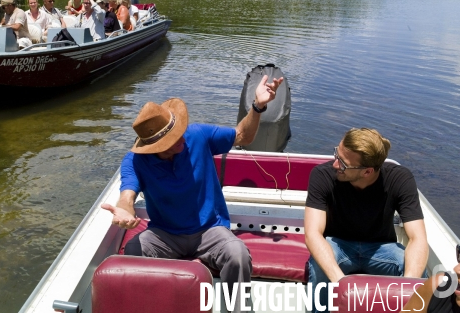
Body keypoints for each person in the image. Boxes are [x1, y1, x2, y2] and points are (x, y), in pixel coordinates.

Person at [101, 75, 284, 313]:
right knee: (135, 249)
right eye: (172, 139)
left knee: (237, 254)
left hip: (210, 229)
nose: (181, 139)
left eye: (178, 131)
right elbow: (127, 195)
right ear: (155, 147)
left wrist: (258, 106)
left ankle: (235, 309)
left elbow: (242, 136)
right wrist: (123, 212)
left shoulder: (197, 135)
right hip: (165, 233)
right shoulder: (135, 161)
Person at [305, 128, 429, 313]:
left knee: (418, 270)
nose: (335, 165)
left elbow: (418, 238)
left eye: (343, 164)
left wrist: (408, 286)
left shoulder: (400, 178)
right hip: (338, 246)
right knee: (319, 267)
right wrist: (342, 284)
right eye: (336, 154)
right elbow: (312, 234)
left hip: (382, 249)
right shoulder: (322, 175)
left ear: (367, 171)